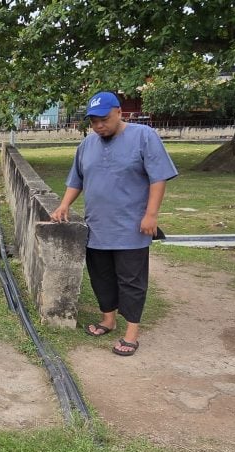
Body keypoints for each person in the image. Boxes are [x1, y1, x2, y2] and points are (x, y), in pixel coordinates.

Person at [50, 91, 178, 356]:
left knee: (131, 280)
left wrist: (151, 215)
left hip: (131, 227)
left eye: (104, 119)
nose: (99, 126)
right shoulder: (87, 145)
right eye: (93, 121)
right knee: (101, 277)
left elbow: (158, 178)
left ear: (119, 112)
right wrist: (64, 205)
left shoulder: (144, 137)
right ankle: (108, 319)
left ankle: (131, 333)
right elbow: (77, 180)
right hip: (97, 227)